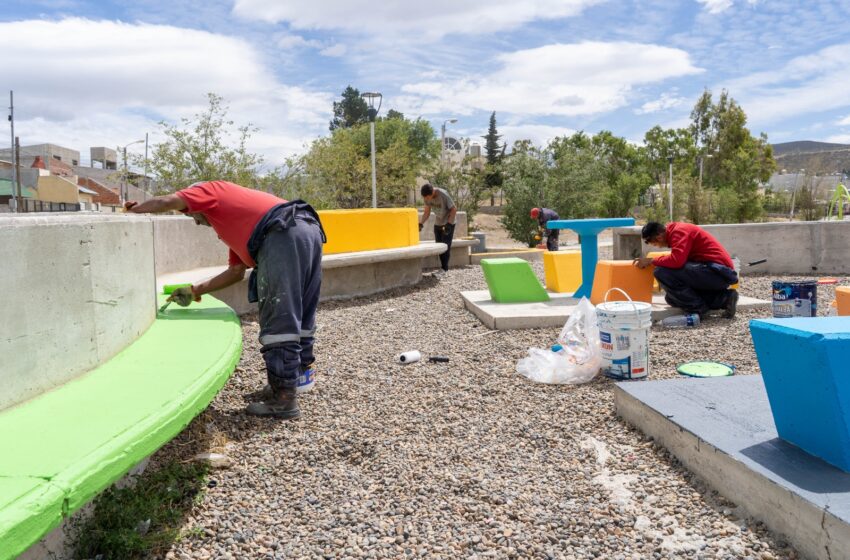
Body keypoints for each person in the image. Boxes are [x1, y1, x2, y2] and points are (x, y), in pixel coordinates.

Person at [125, 180, 325, 419]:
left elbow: (167, 201)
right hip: (307, 228)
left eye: (191, 214)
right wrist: (194, 291)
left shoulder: (211, 189)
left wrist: (135, 210)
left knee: (279, 317)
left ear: (197, 203)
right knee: (302, 311)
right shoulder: (236, 223)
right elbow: (235, 272)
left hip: (282, 232)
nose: (195, 221)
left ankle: (283, 399)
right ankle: (293, 381)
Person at [634, 221, 738, 318]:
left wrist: (651, 261)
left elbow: (677, 261)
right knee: (672, 299)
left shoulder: (679, 232)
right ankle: (725, 299)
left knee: (661, 272)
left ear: (659, 237)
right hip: (713, 273)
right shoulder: (676, 231)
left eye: (654, 244)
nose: (658, 247)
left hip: (719, 273)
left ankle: (697, 309)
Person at [419, 182, 457, 276]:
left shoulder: (443, 194)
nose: (426, 199)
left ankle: (445, 269)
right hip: (438, 222)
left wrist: (449, 224)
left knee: (445, 246)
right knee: (439, 246)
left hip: (448, 222)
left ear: (432, 192)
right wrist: (421, 223)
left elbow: (453, 209)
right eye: (424, 197)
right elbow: (427, 212)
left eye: (427, 197)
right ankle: (442, 269)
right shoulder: (427, 197)